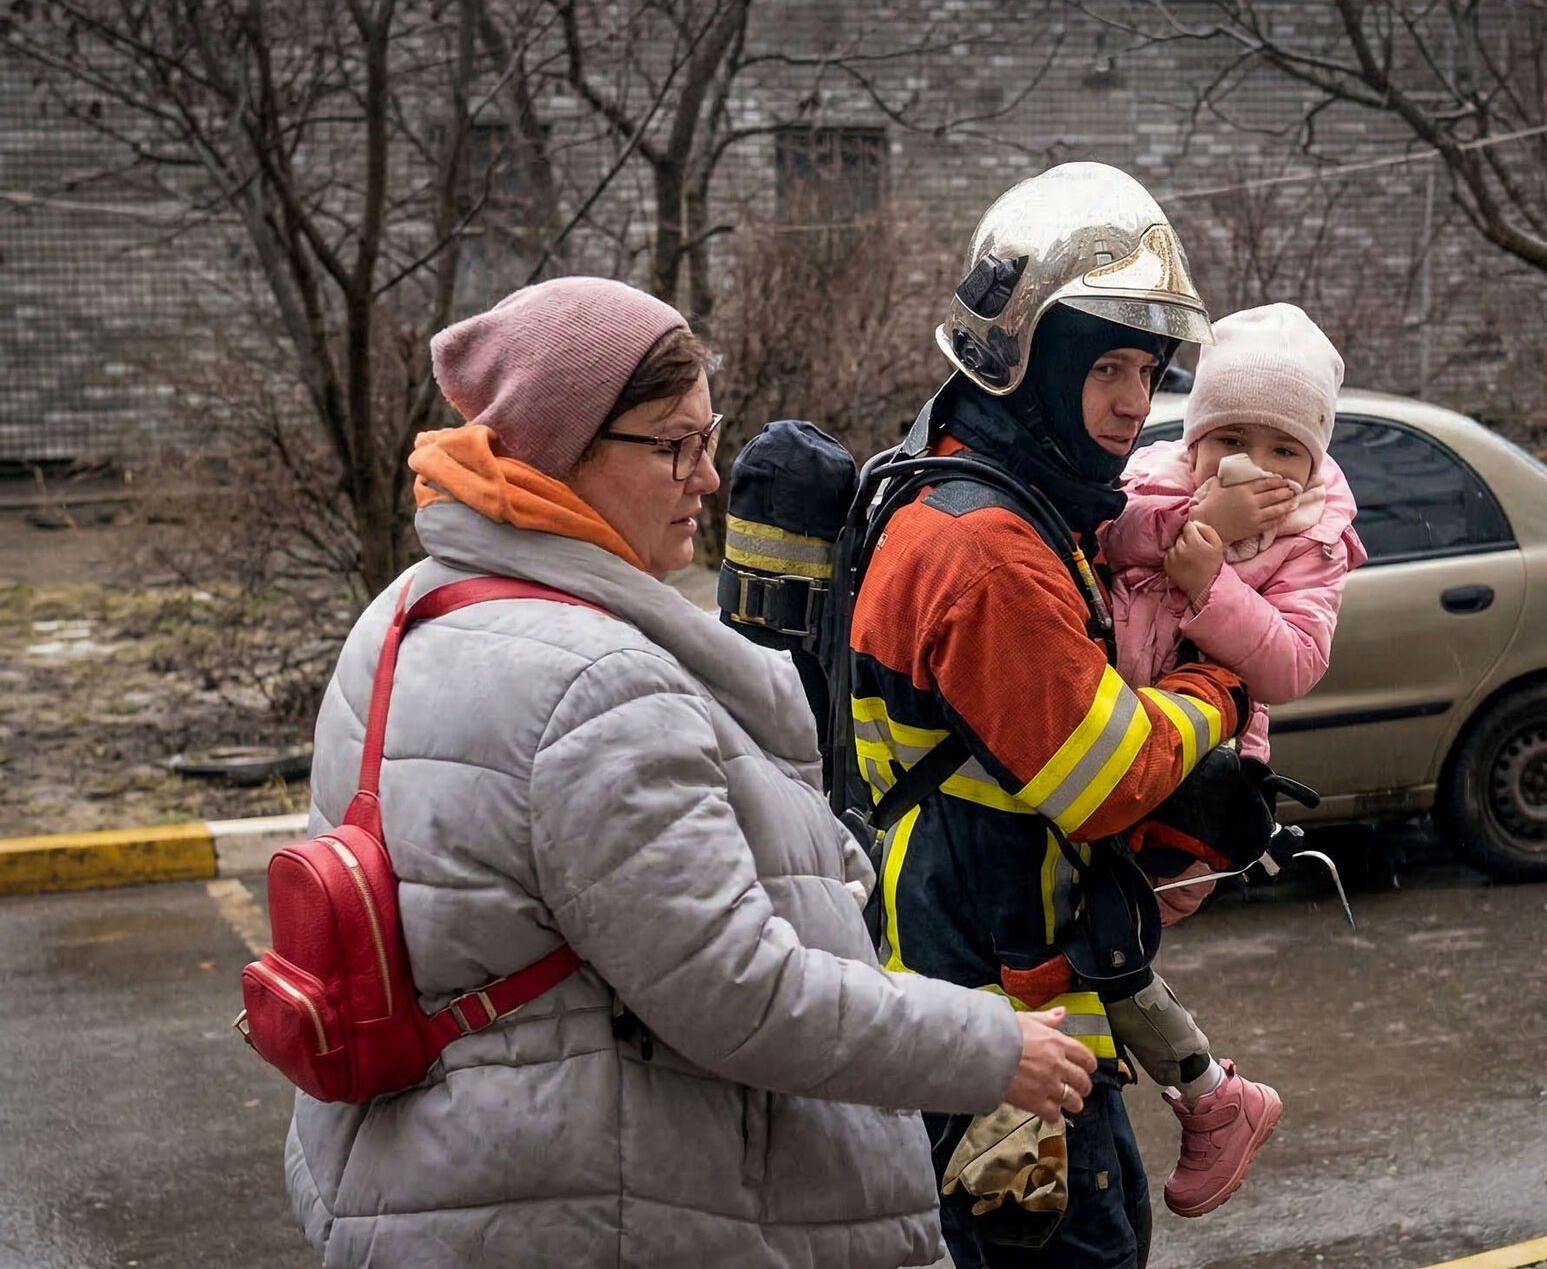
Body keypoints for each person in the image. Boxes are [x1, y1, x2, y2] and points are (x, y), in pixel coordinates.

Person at [284, 276, 1097, 1269]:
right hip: (602, 1203)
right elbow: (737, 990)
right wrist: (992, 1047)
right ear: (559, 446)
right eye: (675, 443)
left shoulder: (405, 612)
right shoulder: (594, 684)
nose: (705, 479)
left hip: (452, 1171)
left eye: (708, 439)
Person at [848, 162, 1260, 1269]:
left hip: (1014, 1002)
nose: (1136, 399)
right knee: (1056, 1254)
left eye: (1148, 367)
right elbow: (1105, 773)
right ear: (1026, 366)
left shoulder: (990, 496)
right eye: (1107, 366)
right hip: (998, 1025)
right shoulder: (985, 547)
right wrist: (1219, 689)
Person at [1097, 302, 1368, 1217]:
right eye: (1232, 438)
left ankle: (1211, 1102)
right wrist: (1188, 520)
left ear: (1315, 460)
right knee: (1078, 942)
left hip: (1195, 792)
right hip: (1100, 749)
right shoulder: (1149, 485)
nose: (1258, 465)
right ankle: (1210, 1101)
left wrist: (1206, 586)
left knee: (1095, 938)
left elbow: (1293, 664)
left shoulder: (1313, 541)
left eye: (1284, 449)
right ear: (1197, 438)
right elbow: (1089, 536)